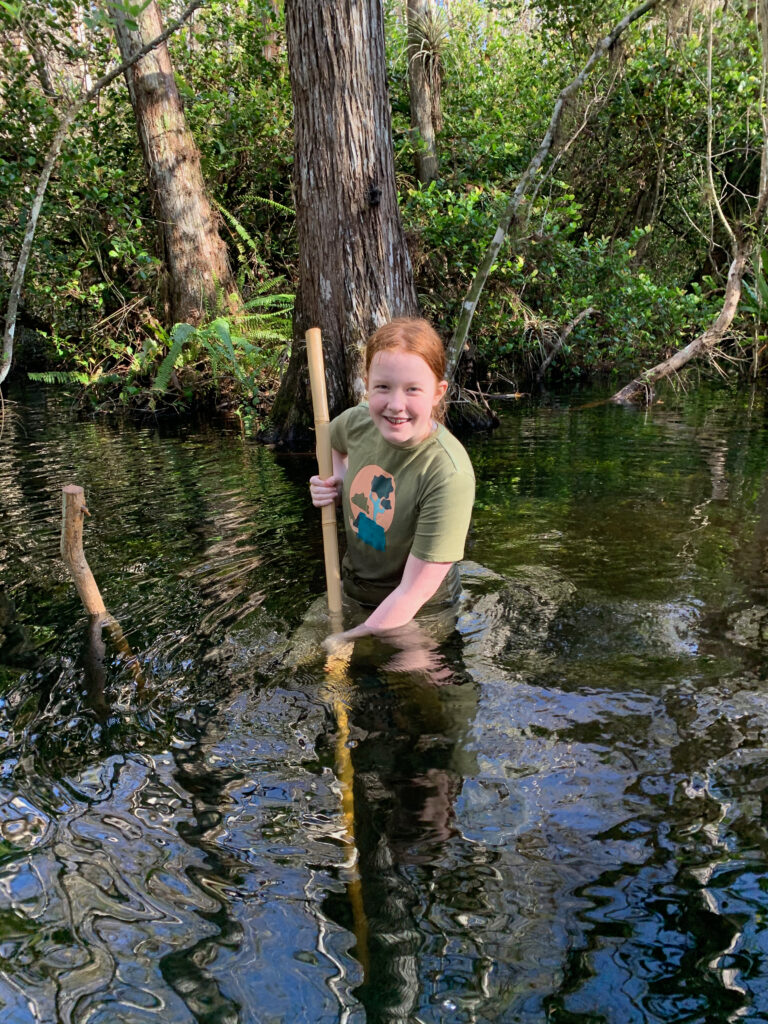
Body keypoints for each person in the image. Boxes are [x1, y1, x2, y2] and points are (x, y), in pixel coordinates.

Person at [309, 317, 475, 644]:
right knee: (296, 663)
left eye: (413, 389)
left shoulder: (448, 473)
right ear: (367, 383)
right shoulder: (359, 423)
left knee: (416, 685)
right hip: (353, 594)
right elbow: (330, 441)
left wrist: (350, 638)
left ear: (437, 393)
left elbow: (413, 593)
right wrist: (338, 481)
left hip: (421, 614)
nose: (396, 405)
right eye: (383, 387)